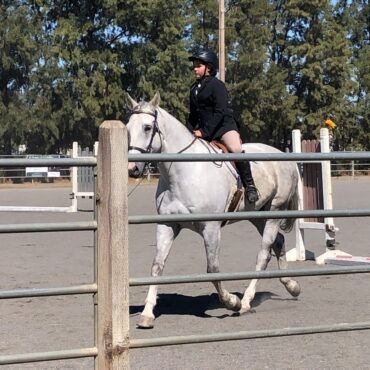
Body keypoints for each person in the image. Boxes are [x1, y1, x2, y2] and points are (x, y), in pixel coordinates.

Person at [187, 48, 258, 203]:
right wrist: (188, 132)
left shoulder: (217, 85)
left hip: (223, 127)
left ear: (209, 68)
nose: (195, 68)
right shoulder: (193, 89)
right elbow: (192, 115)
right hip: (204, 130)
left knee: (236, 150)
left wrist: (204, 132)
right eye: (194, 65)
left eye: (198, 65)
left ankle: (250, 186)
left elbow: (220, 112)